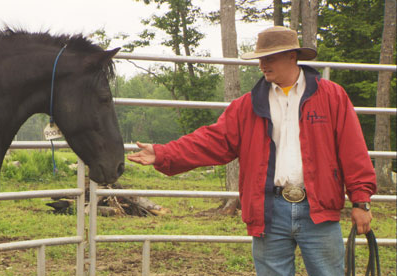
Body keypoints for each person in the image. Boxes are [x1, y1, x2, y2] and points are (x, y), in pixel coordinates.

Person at [127, 26, 376, 276]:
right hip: (269, 210)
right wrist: (163, 154)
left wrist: (361, 201)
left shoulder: (332, 97)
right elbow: (211, 140)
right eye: (260, 58)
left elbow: (353, 151)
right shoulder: (248, 105)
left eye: (270, 58)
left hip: (319, 209)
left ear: (292, 56)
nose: (262, 64)